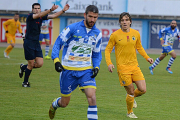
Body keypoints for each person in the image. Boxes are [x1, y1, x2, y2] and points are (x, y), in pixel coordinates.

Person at [49, 5, 102, 120]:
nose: (92, 20)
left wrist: (96, 67)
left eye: (95, 17)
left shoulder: (97, 34)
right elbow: (58, 43)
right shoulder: (72, 28)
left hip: (86, 71)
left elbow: (97, 54)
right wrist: (56, 60)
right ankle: (54, 104)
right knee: (64, 103)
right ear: (85, 15)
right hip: (68, 70)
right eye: (90, 16)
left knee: (92, 97)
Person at [105, 12, 153, 118]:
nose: (124, 22)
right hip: (123, 68)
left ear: (130, 22)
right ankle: (129, 112)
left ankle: (131, 98)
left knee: (142, 89)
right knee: (131, 90)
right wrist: (109, 63)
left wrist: (147, 58)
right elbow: (108, 49)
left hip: (135, 66)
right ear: (120, 22)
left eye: (126, 20)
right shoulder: (115, 35)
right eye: (122, 20)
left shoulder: (136, 33)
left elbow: (139, 47)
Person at [18, 3, 70, 87]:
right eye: (35, 8)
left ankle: (24, 67)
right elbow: (40, 14)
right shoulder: (30, 16)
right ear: (32, 9)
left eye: (38, 8)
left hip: (36, 43)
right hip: (29, 42)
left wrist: (63, 10)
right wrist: (50, 10)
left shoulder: (41, 17)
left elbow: (53, 16)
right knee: (31, 64)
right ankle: (25, 82)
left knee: (40, 63)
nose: (37, 9)